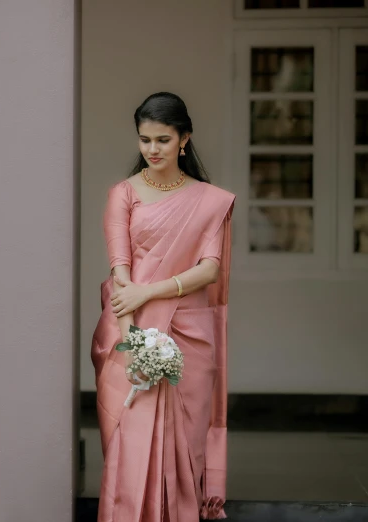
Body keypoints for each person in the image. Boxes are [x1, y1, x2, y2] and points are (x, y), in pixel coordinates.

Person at [90, 92, 235, 522]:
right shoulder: (123, 194)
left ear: (184, 139)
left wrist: (149, 292)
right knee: (130, 454)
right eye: (144, 140)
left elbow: (210, 270)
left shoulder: (209, 201)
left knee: (184, 454)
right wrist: (133, 341)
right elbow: (121, 273)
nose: (152, 150)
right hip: (128, 331)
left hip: (188, 337)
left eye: (163, 140)